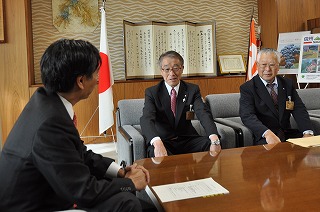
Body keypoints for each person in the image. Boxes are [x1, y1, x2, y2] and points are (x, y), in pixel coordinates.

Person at [0, 39, 151, 212]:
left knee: (136, 202)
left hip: (48, 190)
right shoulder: (50, 124)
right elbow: (82, 191)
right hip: (32, 205)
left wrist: (120, 172)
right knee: (126, 202)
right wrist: (130, 183)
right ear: (80, 81)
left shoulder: (45, 100)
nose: (97, 80)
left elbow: (79, 152)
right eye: (96, 74)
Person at [140, 50, 220, 157]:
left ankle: (201, 174)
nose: (172, 74)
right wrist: (156, 142)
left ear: (182, 68)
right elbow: (146, 119)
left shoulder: (192, 89)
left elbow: (203, 113)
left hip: (187, 139)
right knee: (154, 151)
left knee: (211, 144)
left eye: (176, 68)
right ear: (161, 71)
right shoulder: (152, 92)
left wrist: (214, 138)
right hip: (164, 140)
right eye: (167, 69)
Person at [240, 48, 314, 145]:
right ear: (257, 65)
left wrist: (307, 131)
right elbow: (247, 116)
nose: (267, 69)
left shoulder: (287, 84)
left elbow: (299, 109)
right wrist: (267, 133)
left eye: (272, 65)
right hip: (264, 137)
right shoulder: (248, 88)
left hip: (287, 135)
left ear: (278, 67)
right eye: (263, 65)